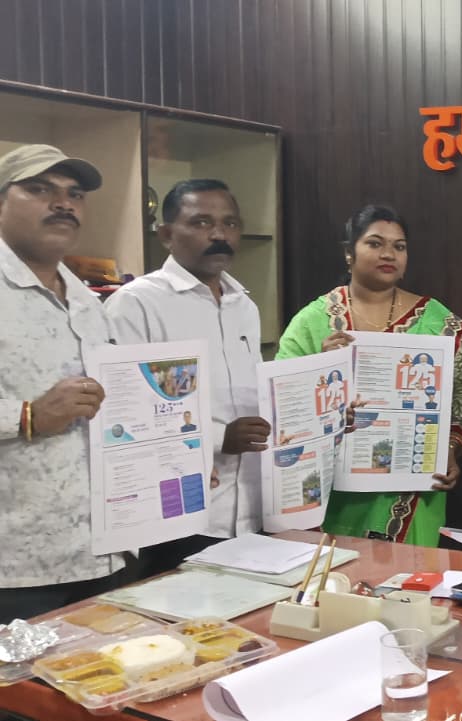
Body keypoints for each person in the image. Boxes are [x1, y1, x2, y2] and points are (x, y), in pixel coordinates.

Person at [277, 204, 462, 546]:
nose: (388, 254)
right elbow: (282, 403)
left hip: (411, 489)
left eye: (399, 246)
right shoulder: (312, 322)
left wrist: (450, 449)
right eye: (374, 243)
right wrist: (323, 372)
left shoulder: (438, 321)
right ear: (349, 252)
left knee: (408, 577)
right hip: (332, 489)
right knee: (336, 574)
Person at [105, 180, 270, 573]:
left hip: (249, 510)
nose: (219, 234)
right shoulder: (136, 304)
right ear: (166, 234)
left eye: (230, 224)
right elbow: (119, 416)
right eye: (201, 223)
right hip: (176, 516)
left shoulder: (244, 305)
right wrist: (218, 438)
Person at [0, 144, 134, 623]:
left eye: (74, 194)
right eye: (39, 189)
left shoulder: (87, 298)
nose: (63, 203)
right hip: (15, 567)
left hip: (103, 551)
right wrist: (27, 416)